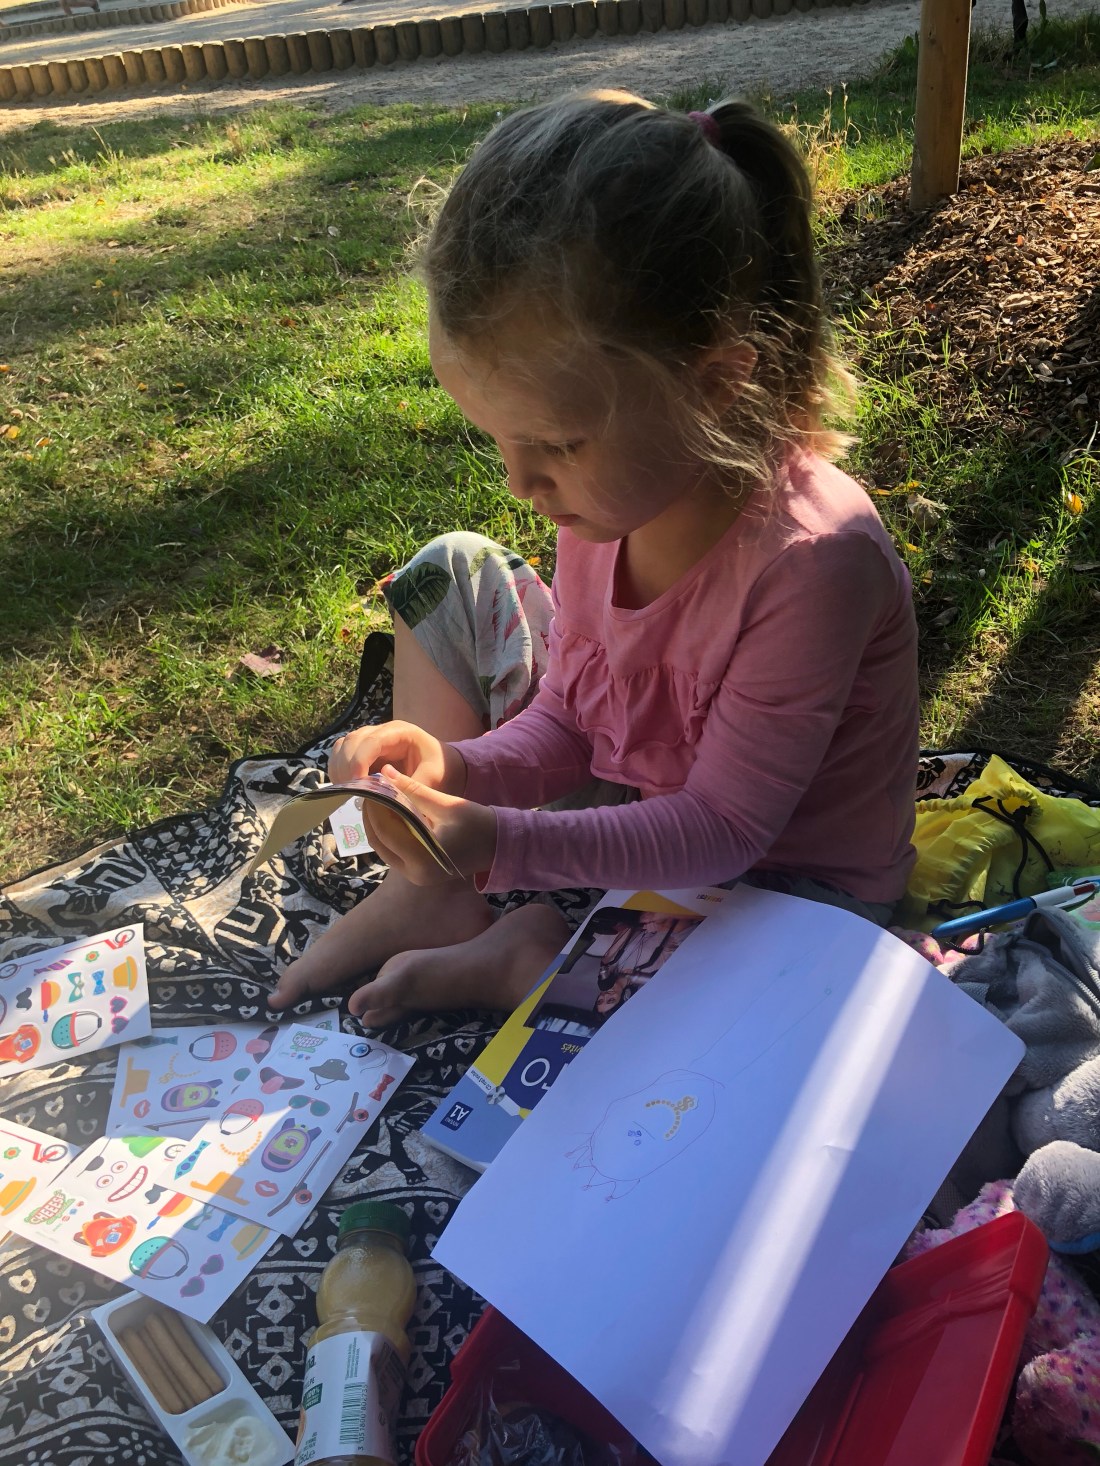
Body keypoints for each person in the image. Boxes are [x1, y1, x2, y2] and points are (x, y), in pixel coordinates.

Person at [269, 90, 920, 1028]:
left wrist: (501, 843)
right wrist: (458, 769)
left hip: (789, 889)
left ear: (713, 383)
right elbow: (573, 719)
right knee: (446, 569)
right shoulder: (605, 512)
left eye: (557, 444)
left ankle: (533, 956)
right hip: (656, 814)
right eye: (499, 439)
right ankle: (456, 902)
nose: (520, 482)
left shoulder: (814, 563)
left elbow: (724, 830)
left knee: (735, 1026)